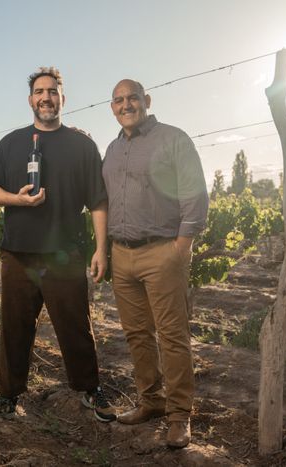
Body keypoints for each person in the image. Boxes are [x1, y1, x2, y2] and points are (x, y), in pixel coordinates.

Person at [0, 67, 115, 423]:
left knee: (75, 326)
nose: (46, 97)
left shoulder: (82, 145)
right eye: (39, 92)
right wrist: (16, 200)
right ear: (30, 100)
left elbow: (98, 201)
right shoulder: (11, 143)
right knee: (14, 327)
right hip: (18, 252)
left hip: (65, 253)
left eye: (52, 91)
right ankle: (8, 395)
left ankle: (90, 389)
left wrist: (101, 249)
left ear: (62, 98)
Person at [102, 79, 208, 448]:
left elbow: (195, 193)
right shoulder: (112, 149)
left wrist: (182, 246)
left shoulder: (173, 138)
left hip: (162, 250)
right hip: (122, 254)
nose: (126, 105)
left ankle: (179, 415)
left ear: (146, 100)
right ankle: (151, 402)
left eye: (132, 98)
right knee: (137, 335)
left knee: (172, 335)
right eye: (119, 100)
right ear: (112, 107)